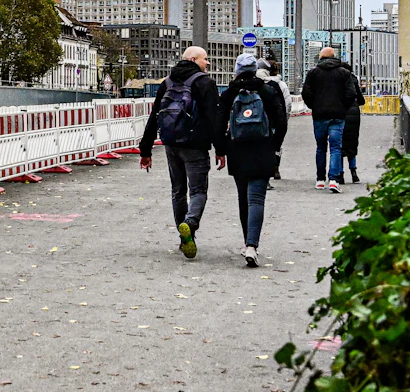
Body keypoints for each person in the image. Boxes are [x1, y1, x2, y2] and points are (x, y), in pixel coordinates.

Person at [138, 45, 225, 258]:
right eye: (205, 59)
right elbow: (213, 119)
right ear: (194, 59)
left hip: (171, 143)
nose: (208, 63)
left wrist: (145, 150)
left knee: (178, 191)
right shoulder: (205, 83)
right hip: (195, 145)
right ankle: (190, 223)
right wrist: (220, 149)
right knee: (198, 191)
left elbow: (155, 116)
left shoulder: (167, 83)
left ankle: (184, 237)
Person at [218, 54, 288, 267]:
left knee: (242, 197)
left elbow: (218, 122)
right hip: (262, 148)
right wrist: (274, 146)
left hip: (237, 150)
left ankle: (246, 241)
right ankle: (252, 246)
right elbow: (281, 121)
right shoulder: (268, 90)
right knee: (256, 198)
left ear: (237, 70)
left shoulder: (229, 93)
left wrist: (221, 149)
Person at [301, 46, 359, 192]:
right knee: (335, 148)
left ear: (321, 57)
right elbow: (351, 94)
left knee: (321, 148)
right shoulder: (344, 73)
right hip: (338, 116)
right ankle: (334, 180)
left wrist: (314, 106)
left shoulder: (313, 73)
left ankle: (320, 180)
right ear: (334, 57)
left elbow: (306, 93)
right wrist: (343, 107)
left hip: (319, 115)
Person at [338, 57, 367, 184]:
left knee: (339, 144)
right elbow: (361, 99)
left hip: (340, 112)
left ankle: (340, 173)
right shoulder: (354, 79)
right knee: (352, 142)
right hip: (354, 113)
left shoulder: (336, 80)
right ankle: (354, 172)